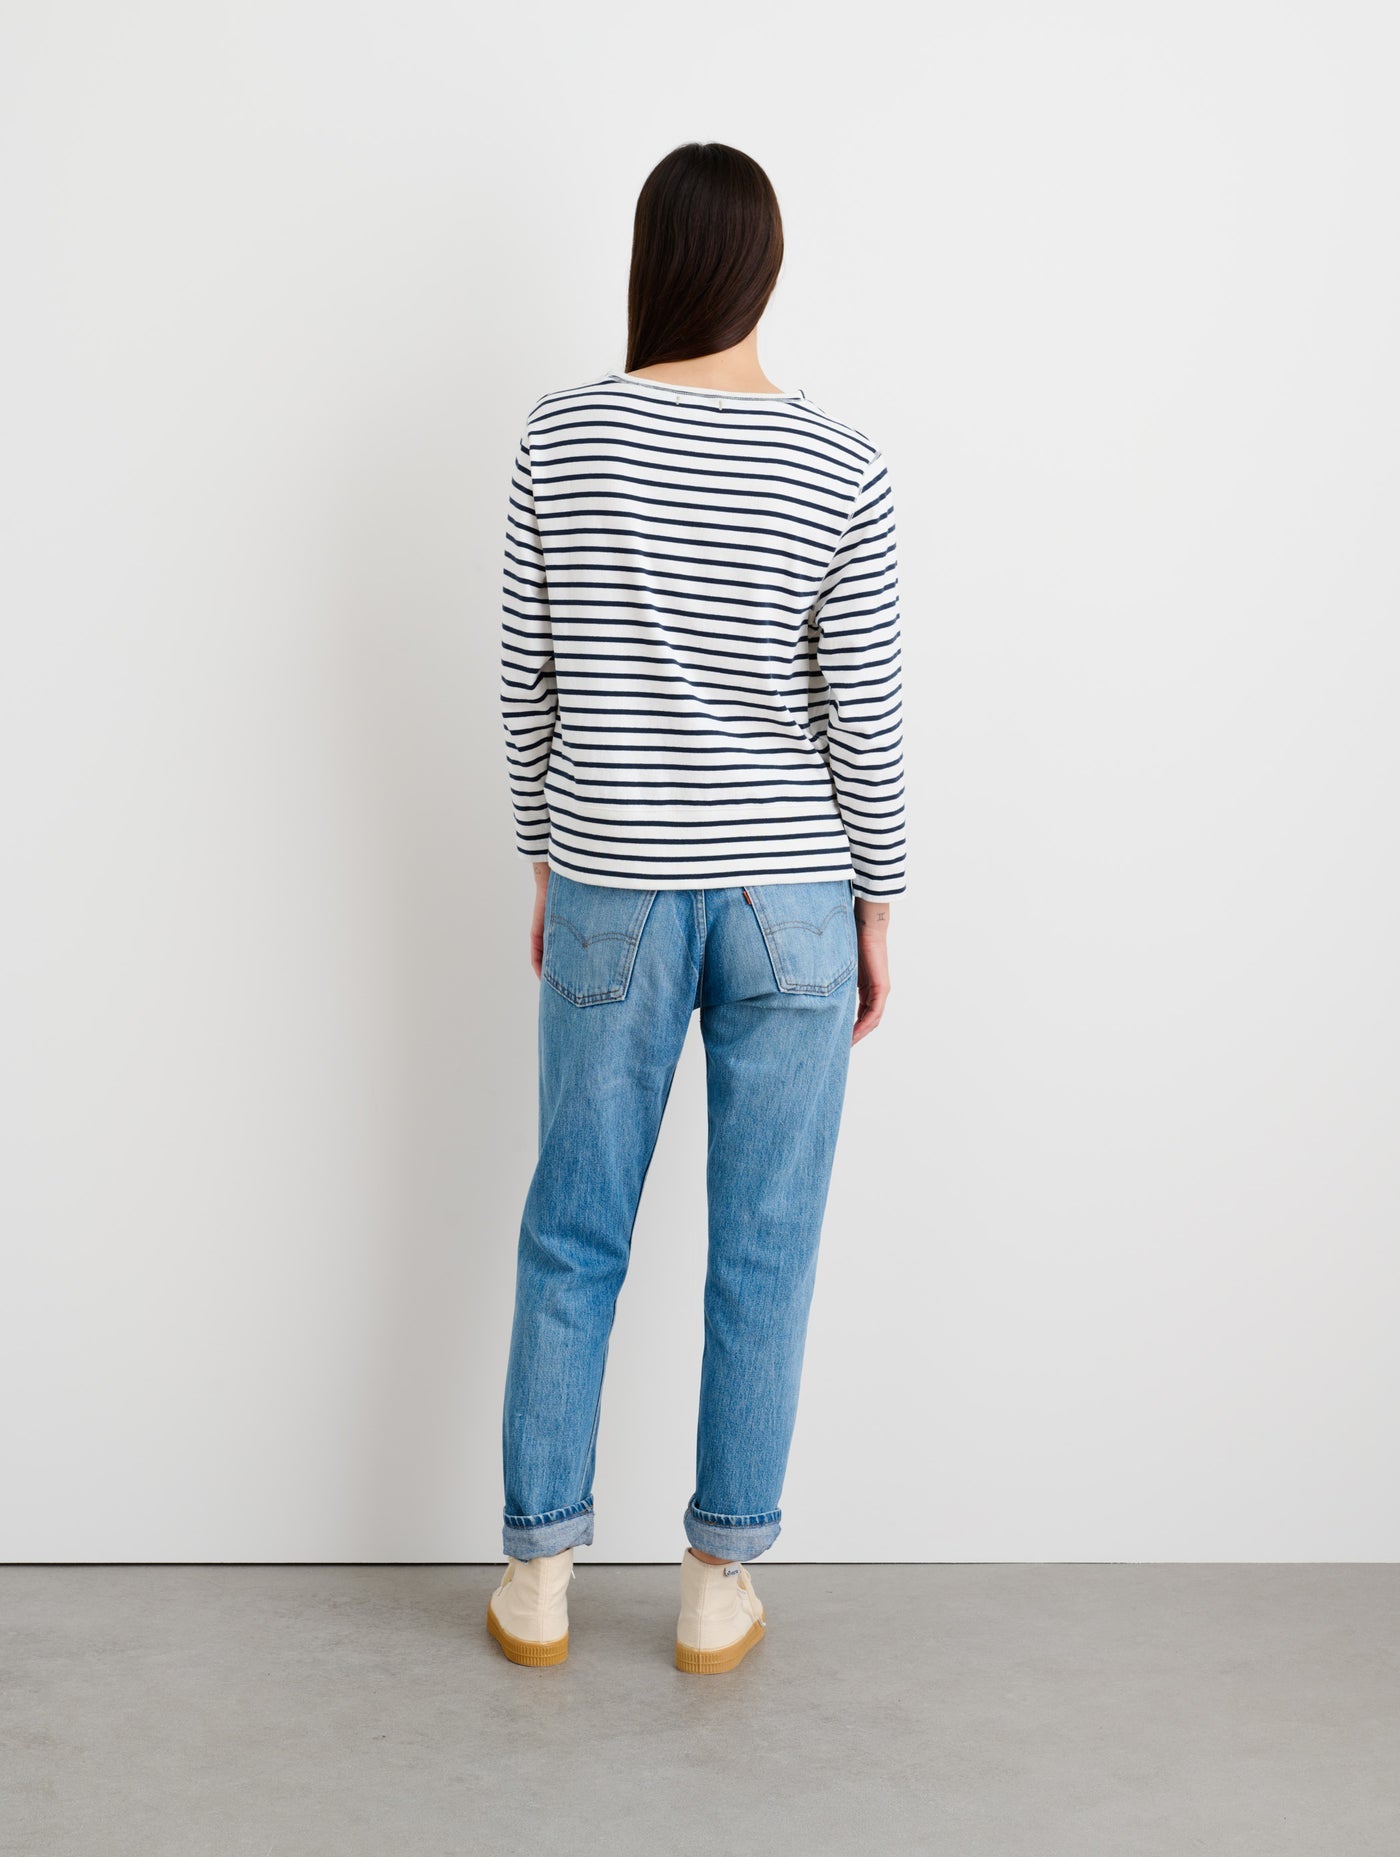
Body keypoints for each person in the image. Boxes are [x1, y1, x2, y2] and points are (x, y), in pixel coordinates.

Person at [489, 142, 906, 1674]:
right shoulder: (840, 464)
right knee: (766, 1245)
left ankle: (540, 1574)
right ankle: (718, 1580)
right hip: (793, 891)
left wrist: (549, 854)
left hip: (614, 876)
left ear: (652, 259)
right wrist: (878, 903)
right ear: (764, 269)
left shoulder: (564, 436)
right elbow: (862, 713)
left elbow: (526, 679)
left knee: (572, 1229)